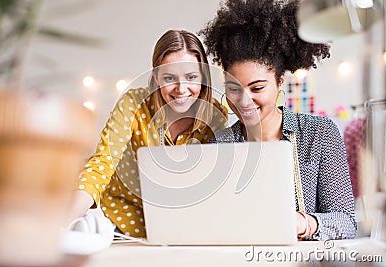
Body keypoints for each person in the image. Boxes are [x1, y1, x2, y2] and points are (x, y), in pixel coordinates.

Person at [199, 0, 356, 240]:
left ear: (280, 82)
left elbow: (345, 221)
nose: (244, 101)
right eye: (233, 89)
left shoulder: (319, 134)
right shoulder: (219, 146)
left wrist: (305, 223)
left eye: (257, 88)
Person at [68, 29, 228, 237]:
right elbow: (102, 164)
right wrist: (64, 224)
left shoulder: (216, 117)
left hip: (182, 229)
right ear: (156, 77)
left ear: (203, 77)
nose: (181, 88)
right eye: (170, 77)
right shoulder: (133, 104)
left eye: (191, 77)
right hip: (118, 223)